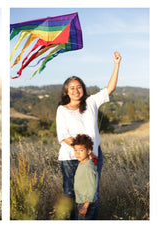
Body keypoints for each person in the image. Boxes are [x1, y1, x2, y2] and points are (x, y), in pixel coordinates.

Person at [55, 51, 121, 219]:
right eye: (72, 88)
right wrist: (82, 152)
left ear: (83, 89)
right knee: (71, 193)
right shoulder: (62, 110)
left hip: (94, 157)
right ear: (66, 92)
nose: (76, 90)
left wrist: (116, 64)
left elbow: (110, 88)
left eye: (79, 87)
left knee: (92, 195)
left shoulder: (91, 102)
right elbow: (63, 135)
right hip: (70, 158)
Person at [71, 134, 99, 220]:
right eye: (75, 150)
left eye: (81, 150)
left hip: (87, 203)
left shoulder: (88, 167)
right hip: (82, 201)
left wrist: (85, 206)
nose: (77, 153)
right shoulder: (82, 163)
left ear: (89, 151)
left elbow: (92, 188)